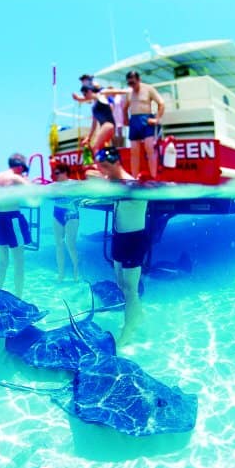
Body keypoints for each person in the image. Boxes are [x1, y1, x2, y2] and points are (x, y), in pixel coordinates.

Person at [95, 147, 148, 346]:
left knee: (130, 290)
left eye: (106, 168)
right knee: (120, 284)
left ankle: (129, 328)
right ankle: (138, 314)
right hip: (118, 237)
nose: (104, 173)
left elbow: (136, 193)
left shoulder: (135, 186)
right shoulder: (115, 185)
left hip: (134, 239)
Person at [0, 153, 32, 297]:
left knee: (3, 261)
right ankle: (19, 298)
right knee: (19, 262)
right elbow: (33, 190)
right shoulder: (16, 177)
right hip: (12, 218)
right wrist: (25, 180)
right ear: (20, 167)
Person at [123, 70, 165, 179]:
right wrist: (126, 120)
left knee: (149, 148)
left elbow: (161, 103)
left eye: (133, 82)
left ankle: (154, 177)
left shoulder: (148, 89)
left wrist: (156, 119)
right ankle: (134, 178)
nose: (131, 85)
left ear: (138, 80)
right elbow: (124, 108)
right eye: (129, 83)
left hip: (146, 119)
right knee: (134, 151)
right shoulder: (129, 93)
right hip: (134, 121)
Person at [50, 162, 80, 281]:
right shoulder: (54, 186)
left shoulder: (74, 184)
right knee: (59, 244)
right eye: (54, 173)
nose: (55, 175)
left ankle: (76, 271)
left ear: (65, 172)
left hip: (71, 214)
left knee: (70, 244)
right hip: (57, 214)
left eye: (57, 172)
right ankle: (61, 274)